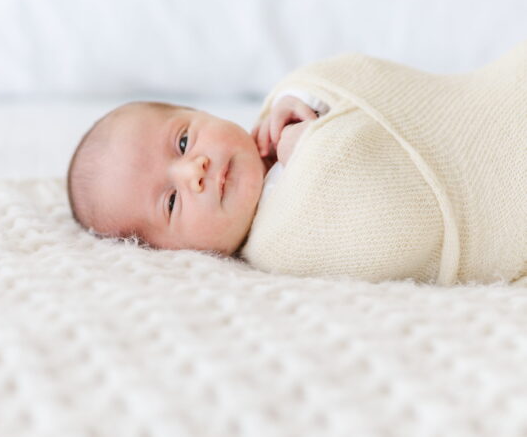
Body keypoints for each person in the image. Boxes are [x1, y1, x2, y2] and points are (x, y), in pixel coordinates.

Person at [67, 42, 527, 285]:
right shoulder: (278, 244)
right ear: (175, 255)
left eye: (184, 141)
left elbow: (362, 74)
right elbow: (396, 225)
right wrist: (313, 148)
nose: (195, 170)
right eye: (170, 202)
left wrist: (303, 95)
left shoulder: (282, 115)